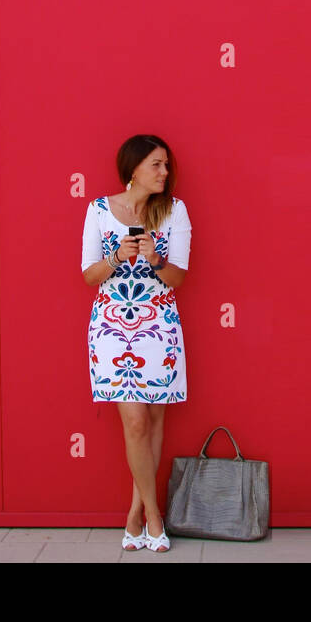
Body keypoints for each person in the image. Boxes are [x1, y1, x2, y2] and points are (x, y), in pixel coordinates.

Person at [80, 133, 192, 552]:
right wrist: (116, 257)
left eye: (166, 165)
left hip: (159, 327)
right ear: (134, 170)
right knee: (136, 421)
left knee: (156, 421)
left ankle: (134, 515)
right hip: (112, 329)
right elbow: (89, 277)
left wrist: (154, 258)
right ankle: (153, 514)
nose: (165, 173)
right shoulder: (98, 211)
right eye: (156, 165)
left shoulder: (174, 210)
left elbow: (180, 278)